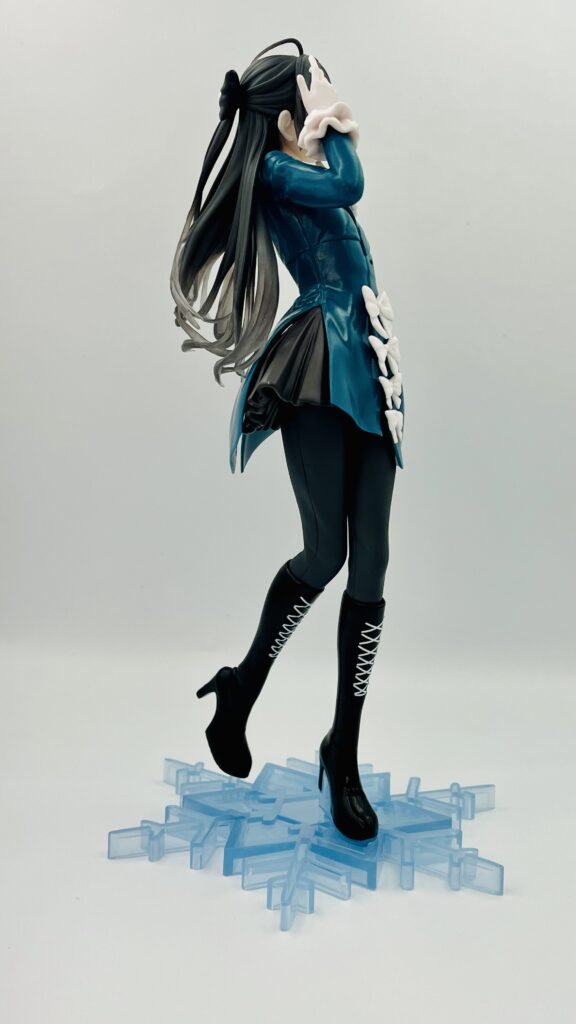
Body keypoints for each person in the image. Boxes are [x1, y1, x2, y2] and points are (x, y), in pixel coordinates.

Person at [170, 38, 405, 842]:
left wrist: (321, 122)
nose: (321, 107)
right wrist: (332, 121)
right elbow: (351, 183)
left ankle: (344, 749)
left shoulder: (297, 166)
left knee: (372, 558)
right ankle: (244, 684)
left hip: (366, 358)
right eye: (308, 96)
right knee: (326, 552)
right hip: (317, 361)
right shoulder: (275, 171)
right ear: (287, 110)